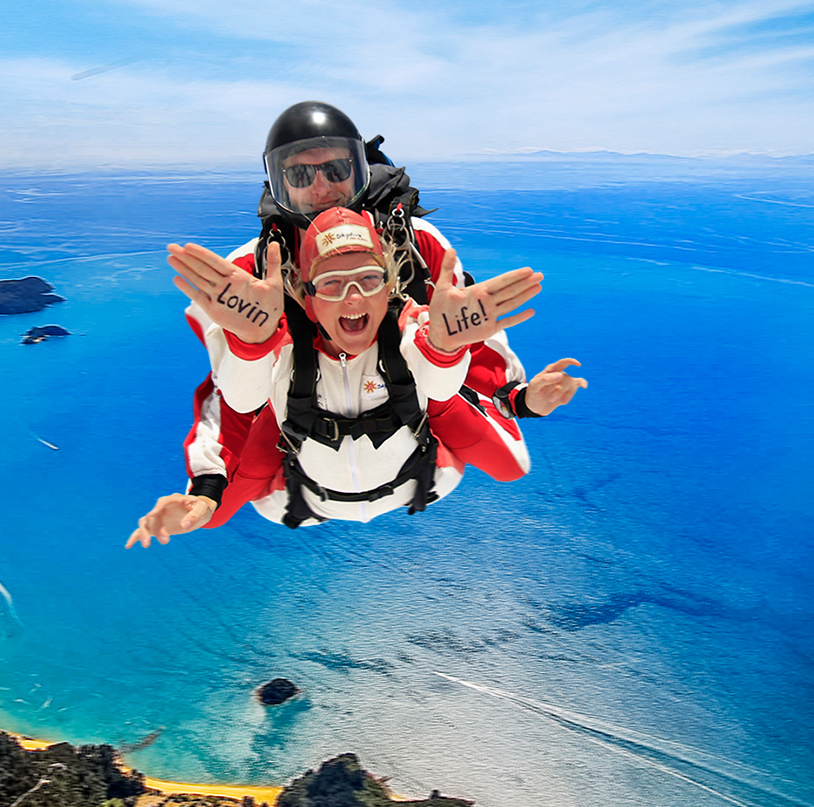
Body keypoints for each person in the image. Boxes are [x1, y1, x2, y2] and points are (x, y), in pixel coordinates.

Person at [176, 102, 544, 527]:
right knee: (215, 510)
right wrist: (207, 486)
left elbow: (469, 330)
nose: (322, 188)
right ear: (279, 184)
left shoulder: (416, 246)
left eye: (335, 170)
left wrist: (513, 394)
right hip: (301, 434)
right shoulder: (246, 273)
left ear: (359, 172)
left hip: (409, 415)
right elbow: (231, 398)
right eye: (300, 174)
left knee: (507, 459)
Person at [127, 209, 587, 546]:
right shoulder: (286, 346)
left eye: (367, 280)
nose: (352, 298)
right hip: (304, 497)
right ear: (305, 297)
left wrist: (451, 351)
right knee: (214, 505)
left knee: (510, 463)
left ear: (389, 285)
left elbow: (445, 385)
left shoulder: (412, 327)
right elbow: (235, 406)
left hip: (417, 479)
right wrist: (204, 496)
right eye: (331, 284)